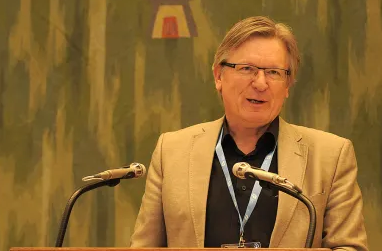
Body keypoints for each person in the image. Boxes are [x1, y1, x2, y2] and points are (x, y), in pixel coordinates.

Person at [130, 16, 368, 250]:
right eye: (247, 69)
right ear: (218, 76)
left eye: (274, 72)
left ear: (287, 85)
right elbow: (144, 246)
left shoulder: (330, 156)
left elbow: (349, 247)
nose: (261, 83)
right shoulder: (172, 151)